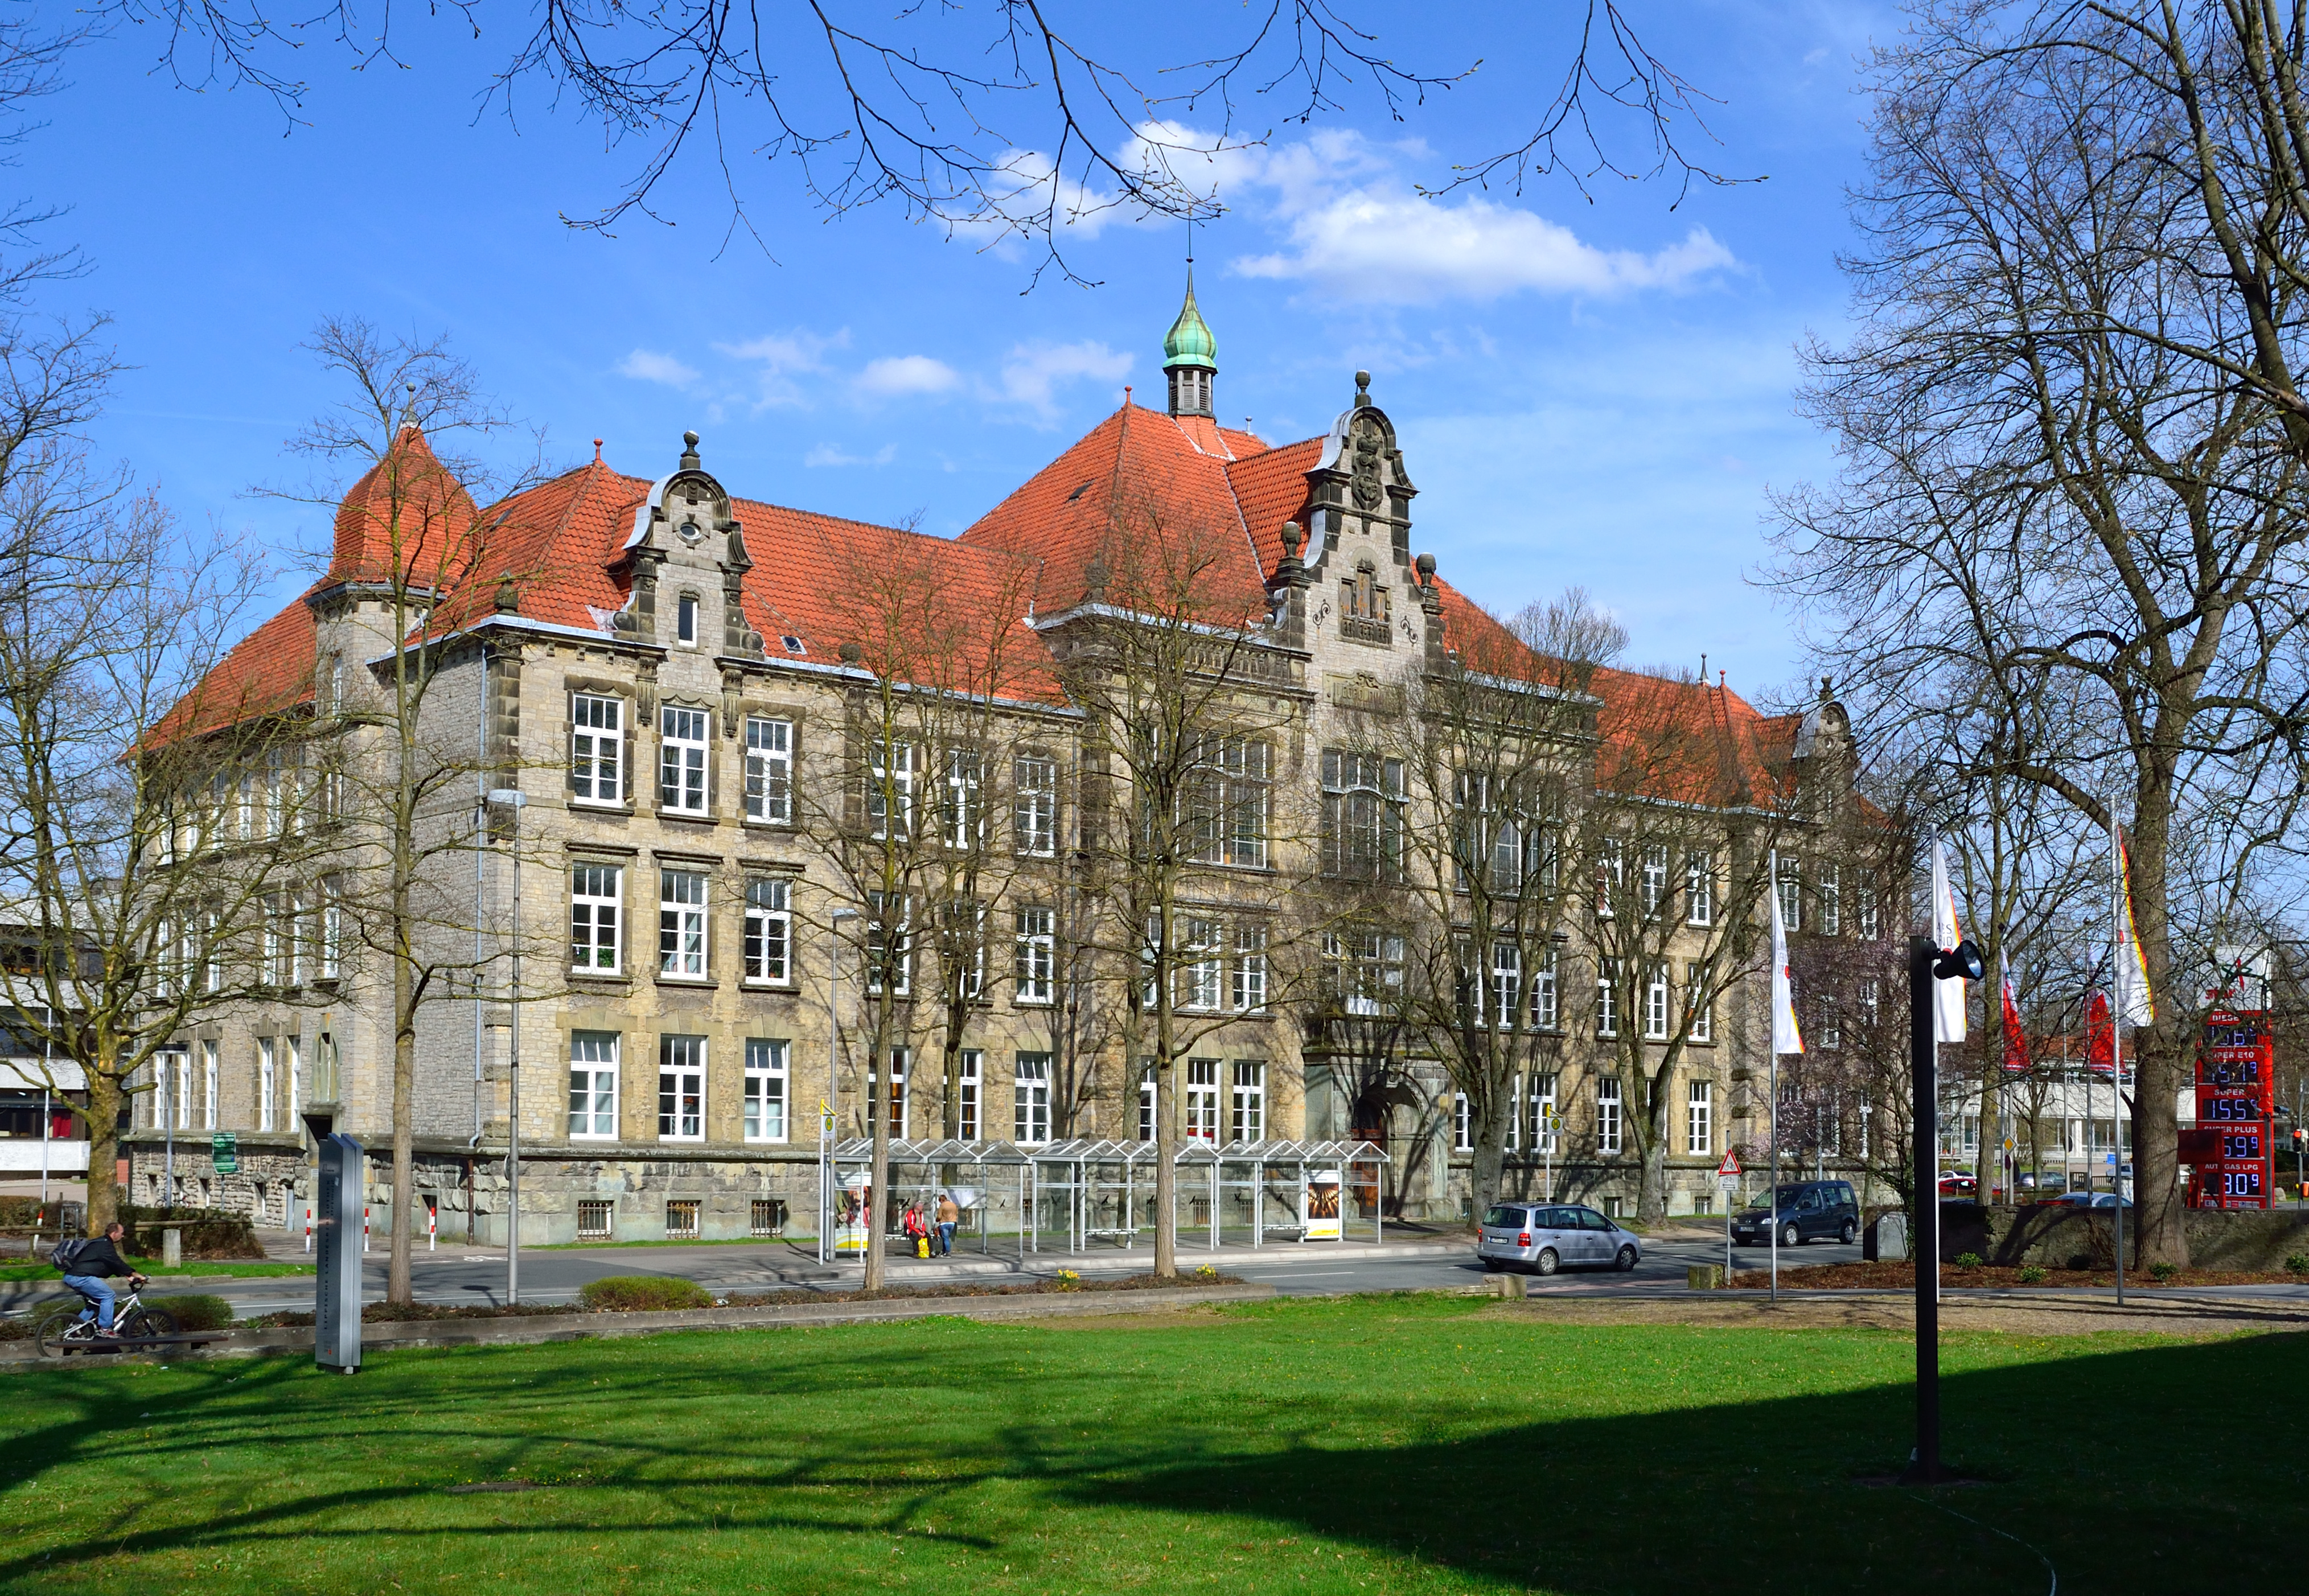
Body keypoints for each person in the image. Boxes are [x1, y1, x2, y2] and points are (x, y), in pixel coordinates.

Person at [63, 1221, 145, 1338]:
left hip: (72, 1276)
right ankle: (105, 1329)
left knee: (96, 1302)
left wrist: (127, 1276)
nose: (123, 1236)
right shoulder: (105, 1245)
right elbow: (116, 1262)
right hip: (81, 1277)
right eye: (122, 1234)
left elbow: (108, 1264)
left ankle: (77, 1327)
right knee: (108, 1296)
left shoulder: (101, 1242)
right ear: (115, 1233)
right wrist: (136, 1275)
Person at [935, 1190, 959, 1257]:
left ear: (941, 1200)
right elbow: (956, 1213)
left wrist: (937, 1220)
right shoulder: (954, 1205)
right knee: (946, 1237)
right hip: (952, 1223)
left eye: (940, 1201)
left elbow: (939, 1216)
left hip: (944, 1223)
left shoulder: (942, 1206)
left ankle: (948, 1252)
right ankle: (944, 1251)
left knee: (945, 1238)